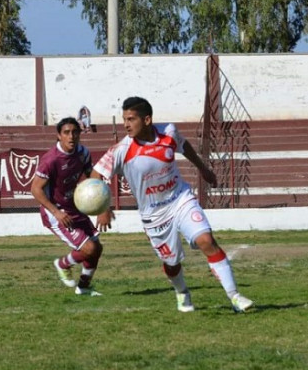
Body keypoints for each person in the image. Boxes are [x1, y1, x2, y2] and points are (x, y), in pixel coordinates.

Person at [90, 96, 254, 313]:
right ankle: (182, 292)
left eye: (131, 119)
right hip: (154, 215)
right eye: (124, 119)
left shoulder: (168, 133)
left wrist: (203, 169)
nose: (126, 124)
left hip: (180, 200)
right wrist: (102, 208)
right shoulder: (121, 150)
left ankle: (235, 296)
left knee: (206, 240)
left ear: (147, 120)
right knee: (172, 262)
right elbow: (95, 175)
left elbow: (184, 146)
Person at [30, 117, 104, 296]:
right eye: (66, 133)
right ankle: (63, 264)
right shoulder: (51, 160)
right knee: (89, 249)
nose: (71, 136)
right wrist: (57, 213)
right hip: (56, 212)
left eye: (75, 132)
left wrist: (103, 205)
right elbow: (35, 189)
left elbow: (92, 177)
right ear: (59, 136)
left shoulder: (83, 153)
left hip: (75, 208)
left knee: (97, 249)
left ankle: (84, 288)